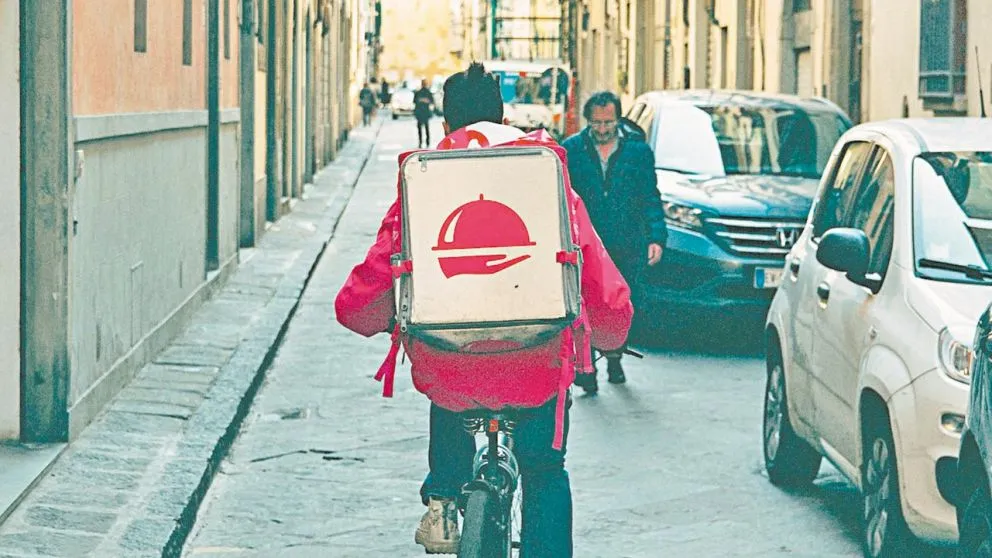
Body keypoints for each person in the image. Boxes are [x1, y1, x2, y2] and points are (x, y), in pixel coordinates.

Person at [334, 62, 632, 557]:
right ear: (504, 118)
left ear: (447, 124)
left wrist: (374, 316)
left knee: (446, 372)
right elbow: (592, 268)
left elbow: (372, 284)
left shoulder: (424, 182)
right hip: (537, 363)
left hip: (451, 369)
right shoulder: (545, 175)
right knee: (545, 470)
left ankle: (443, 500)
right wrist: (610, 332)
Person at [561, 91, 667, 393]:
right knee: (586, 304)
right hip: (587, 242)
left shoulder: (638, 152)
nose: (602, 129)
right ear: (588, 121)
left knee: (619, 305)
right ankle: (588, 367)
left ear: (618, 120)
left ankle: (615, 356)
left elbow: (650, 196)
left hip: (627, 241)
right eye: (596, 123)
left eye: (608, 123)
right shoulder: (572, 150)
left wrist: (656, 237)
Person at [413, 79, 435, 148]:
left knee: (420, 128)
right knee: (426, 128)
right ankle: (427, 142)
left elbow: (414, 101)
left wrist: (421, 100)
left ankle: (420, 142)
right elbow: (432, 101)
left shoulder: (418, 92)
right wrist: (426, 101)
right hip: (425, 112)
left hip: (420, 112)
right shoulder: (428, 92)